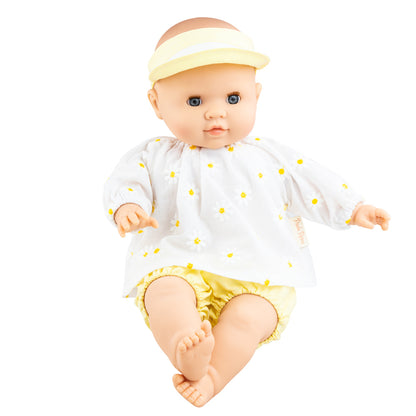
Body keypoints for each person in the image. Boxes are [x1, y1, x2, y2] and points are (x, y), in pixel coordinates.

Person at [103, 17, 390, 407]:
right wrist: (128, 206)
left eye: (233, 98)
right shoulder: (154, 154)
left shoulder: (269, 156)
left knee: (247, 320)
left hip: (260, 275)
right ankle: (184, 344)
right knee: (166, 295)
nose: (215, 113)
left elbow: (311, 181)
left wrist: (354, 208)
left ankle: (212, 376)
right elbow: (126, 180)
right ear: (156, 103)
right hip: (178, 262)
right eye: (194, 101)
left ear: (256, 95)